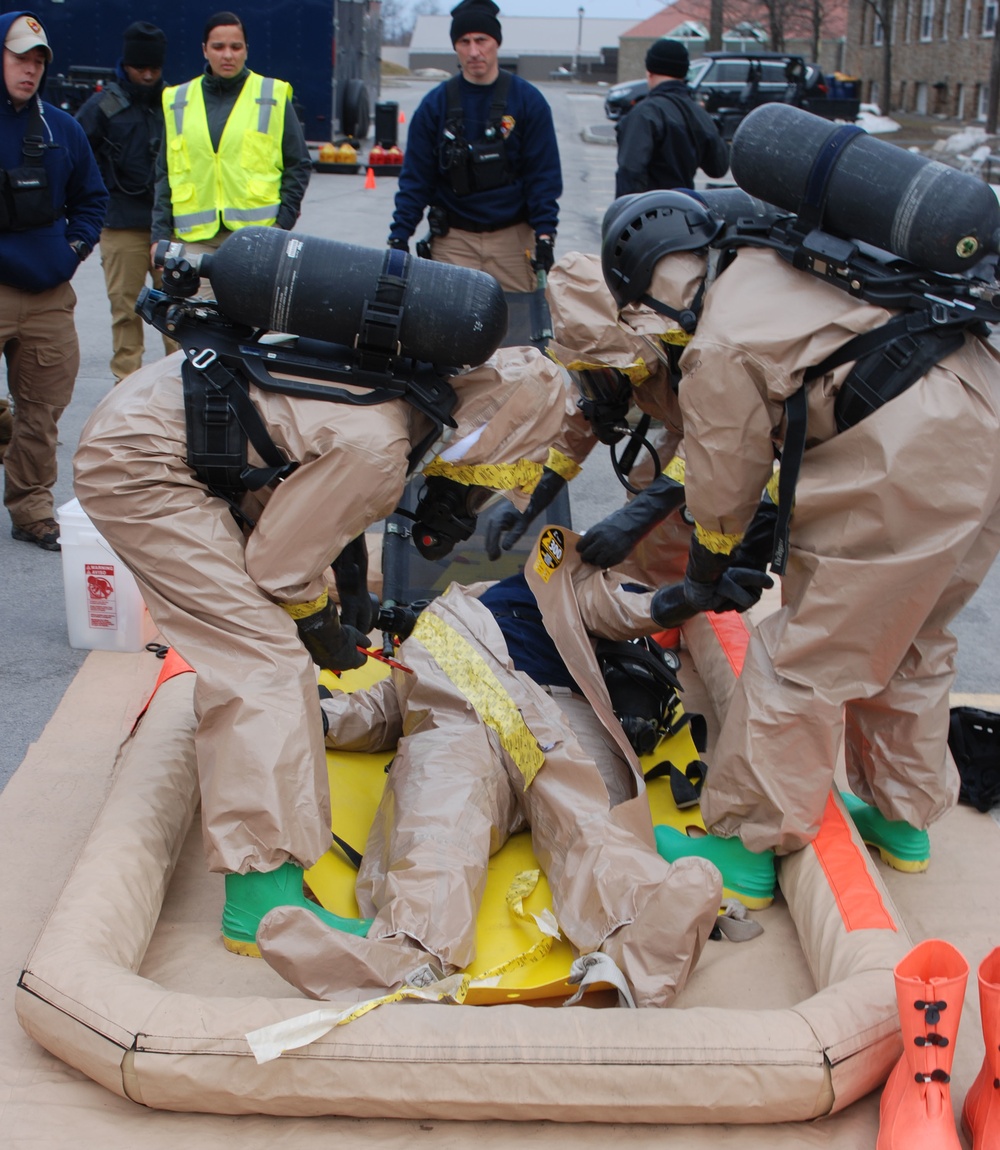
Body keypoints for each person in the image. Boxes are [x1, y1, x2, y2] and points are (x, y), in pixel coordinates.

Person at [73, 264, 568, 956]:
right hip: (144, 464)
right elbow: (279, 566)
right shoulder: (381, 446)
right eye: (495, 466)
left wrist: (347, 589)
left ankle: (259, 821)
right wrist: (321, 629)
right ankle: (262, 903)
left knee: (271, 638)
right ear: (487, 430)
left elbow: (302, 478)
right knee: (264, 661)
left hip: (189, 431)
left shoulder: (397, 388)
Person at [255, 542, 722, 1009]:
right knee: (436, 826)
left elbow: (613, 604)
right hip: (455, 725)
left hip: (549, 713)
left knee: (588, 819)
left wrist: (681, 598)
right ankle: (407, 955)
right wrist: (321, 718)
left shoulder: (544, 584)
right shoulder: (430, 634)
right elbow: (387, 707)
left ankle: (642, 934)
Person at [652, 236, 1000, 860]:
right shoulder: (775, 260)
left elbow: (722, 478)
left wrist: (708, 564)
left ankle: (749, 848)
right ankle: (902, 818)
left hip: (911, 446)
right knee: (914, 633)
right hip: (984, 409)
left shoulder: (716, 336)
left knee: (803, 654)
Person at [0, 11, 107, 551]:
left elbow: (93, 199)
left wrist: (73, 249)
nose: (30, 69)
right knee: (18, 420)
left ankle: (32, 510)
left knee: (41, 413)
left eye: (38, 60)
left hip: (47, 294)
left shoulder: (62, 130)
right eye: (20, 56)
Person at [387, 0, 562, 293]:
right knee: (446, 334)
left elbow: (543, 176)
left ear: (496, 42)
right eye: (464, 42)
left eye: (482, 40)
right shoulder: (435, 105)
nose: (474, 51)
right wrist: (399, 236)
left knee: (518, 334)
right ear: (455, 46)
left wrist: (545, 234)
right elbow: (416, 179)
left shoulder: (528, 102)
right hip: (454, 242)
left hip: (513, 242)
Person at [150, 11, 311, 276]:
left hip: (258, 239)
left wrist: (282, 224)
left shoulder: (271, 95)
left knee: (251, 318)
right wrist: (159, 234)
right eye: (218, 47)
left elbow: (299, 163)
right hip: (194, 241)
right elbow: (164, 172)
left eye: (236, 47)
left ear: (246, 50)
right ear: (204, 50)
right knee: (193, 317)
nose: (228, 55)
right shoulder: (178, 100)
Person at [76, 22, 175, 383]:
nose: (147, 75)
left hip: (172, 227)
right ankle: (125, 391)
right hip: (121, 225)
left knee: (179, 317)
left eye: (155, 69)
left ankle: (182, 394)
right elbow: (75, 156)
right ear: (126, 63)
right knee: (126, 314)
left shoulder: (175, 104)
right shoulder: (103, 106)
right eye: (140, 68)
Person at [613, 39, 729, 199]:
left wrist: (623, 217)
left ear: (649, 72)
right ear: (683, 72)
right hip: (684, 212)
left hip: (649, 213)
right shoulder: (698, 113)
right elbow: (718, 168)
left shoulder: (645, 113)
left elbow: (630, 172)